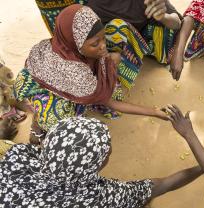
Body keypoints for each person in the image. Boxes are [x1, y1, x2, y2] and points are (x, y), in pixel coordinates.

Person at [0, 117, 204, 208]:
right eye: (107, 152)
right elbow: (163, 184)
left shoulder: (17, 156)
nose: (110, 151)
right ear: (96, 164)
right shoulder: (100, 200)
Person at [14, 5, 170, 144]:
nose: (103, 47)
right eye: (95, 43)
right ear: (76, 43)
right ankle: (37, 122)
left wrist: (109, 59)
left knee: (117, 32)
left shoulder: (70, 45)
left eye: (103, 38)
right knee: (60, 117)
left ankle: (82, 97)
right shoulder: (75, 72)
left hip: (69, 77)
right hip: (40, 87)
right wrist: (154, 112)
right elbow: (111, 102)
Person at [87, 0, 182, 88]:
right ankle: (115, 78)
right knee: (116, 27)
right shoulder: (95, 6)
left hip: (145, 36)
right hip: (120, 41)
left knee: (170, 29)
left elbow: (178, 22)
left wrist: (163, 17)